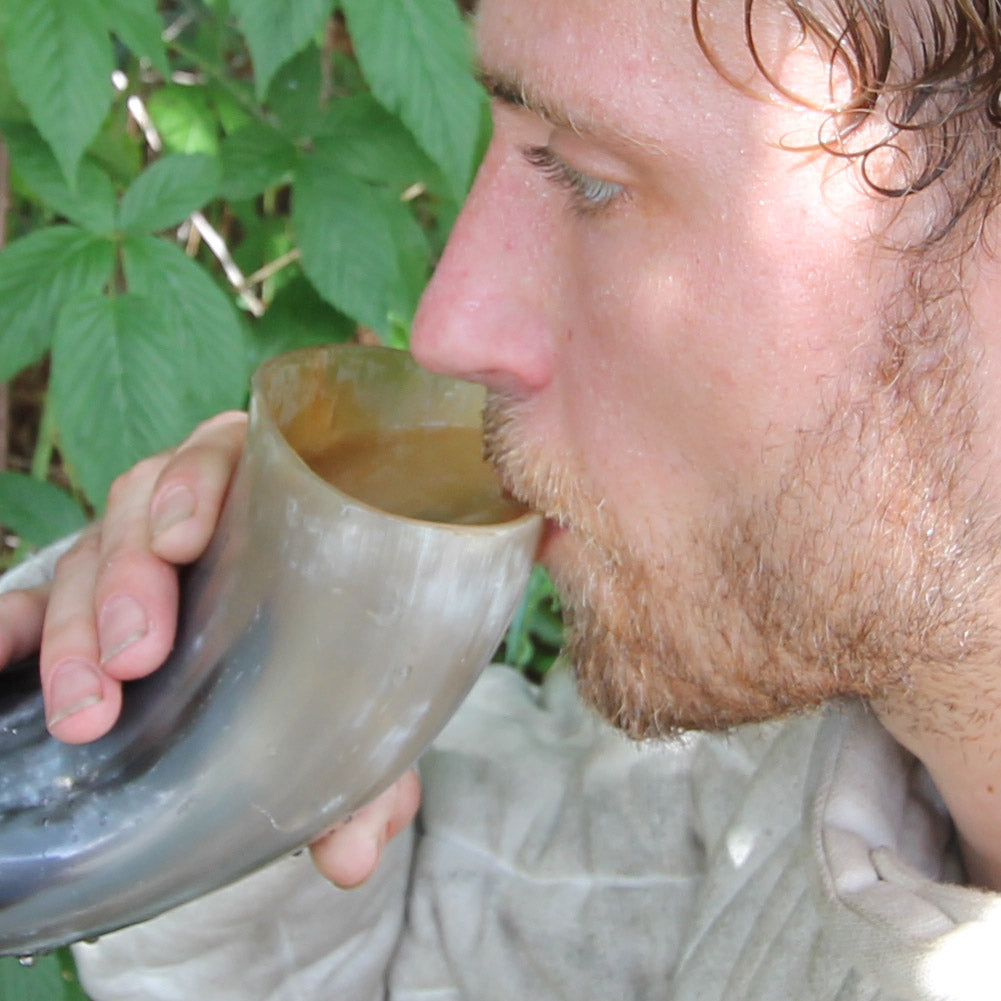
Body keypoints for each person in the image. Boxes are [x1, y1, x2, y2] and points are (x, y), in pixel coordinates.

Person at [5, 0, 1001, 996]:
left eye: (588, 178)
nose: (444, 327)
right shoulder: (772, 767)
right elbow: (438, 940)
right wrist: (236, 702)